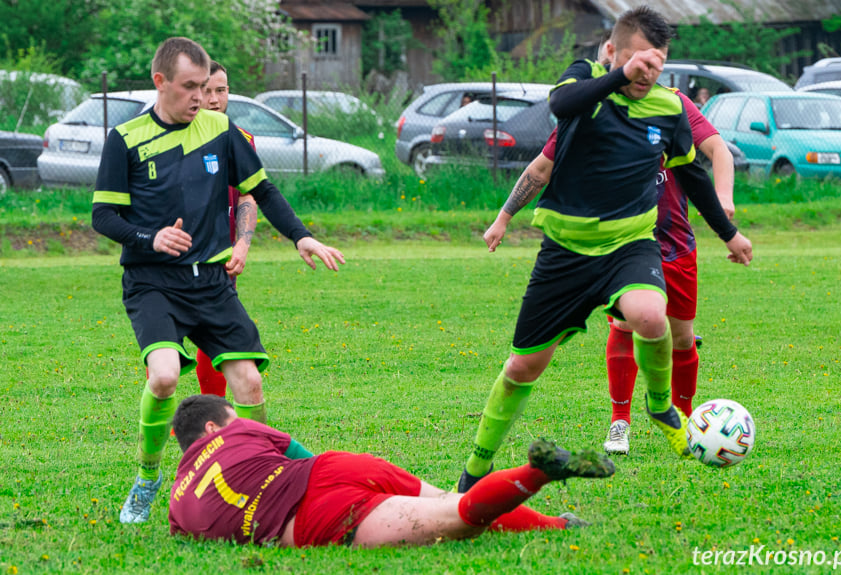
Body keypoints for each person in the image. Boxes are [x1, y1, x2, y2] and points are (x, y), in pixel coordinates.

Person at [456, 6, 753, 492]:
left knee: (651, 316)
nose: (646, 73)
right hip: (566, 253)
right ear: (612, 51)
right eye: (638, 61)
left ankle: (661, 408)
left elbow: (694, 177)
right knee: (523, 366)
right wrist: (504, 217)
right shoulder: (584, 81)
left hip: (629, 245)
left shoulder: (670, 107)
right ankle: (476, 466)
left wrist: (729, 233)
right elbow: (561, 109)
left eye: (656, 65)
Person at [91, 37, 344, 524]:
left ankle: (264, 478)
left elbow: (261, 191)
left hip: (211, 282)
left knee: (248, 381)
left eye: (204, 87)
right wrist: (150, 237)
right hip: (152, 282)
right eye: (189, 87)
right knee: (164, 376)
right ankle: (147, 478)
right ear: (160, 82)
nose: (198, 97)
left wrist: (301, 237)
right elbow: (103, 216)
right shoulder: (125, 138)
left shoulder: (221, 130)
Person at [484, 58, 737, 458]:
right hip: (624, 241)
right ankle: (620, 422)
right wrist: (504, 216)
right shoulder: (594, 108)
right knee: (623, 325)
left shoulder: (674, 106)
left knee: (682, 336)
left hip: (674, 241)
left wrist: (724, 203)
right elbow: (543, 166)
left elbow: (716, 153)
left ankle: (687, 424)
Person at [168, 395, 615, 547]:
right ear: (212, 425)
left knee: (457, 520)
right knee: (448, 501)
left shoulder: (177, 504)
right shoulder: (238, 429)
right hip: (332, 467)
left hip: (313, 515)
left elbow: (197, 533)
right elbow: (300, 452)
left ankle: (537, 473)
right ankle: (559, 524)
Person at [194, 60, 257, 398]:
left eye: (222, 90)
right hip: (174, 259)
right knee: (166, 346)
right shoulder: (170, 138)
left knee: (215, 339)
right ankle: (162, 418)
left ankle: (213, 412)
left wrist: (242, 245)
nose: (215, 98)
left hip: (219, 259)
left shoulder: (242, 139)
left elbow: (249, 195)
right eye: (207, 90)